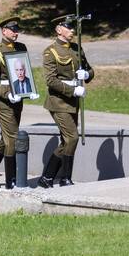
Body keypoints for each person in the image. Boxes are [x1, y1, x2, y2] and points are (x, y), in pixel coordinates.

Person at [39, 14, 95, 188]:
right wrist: (73, 90)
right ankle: (65, 179)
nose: (73, 30)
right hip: (59, 102)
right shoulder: (51, 52)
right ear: (59, 29)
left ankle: (47, 177)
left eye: (74, 28)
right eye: (69, 27)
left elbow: (89, 70)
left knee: (66, 141)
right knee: (72, 138)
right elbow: (50, 80)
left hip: (74, 102)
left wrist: (86, 75)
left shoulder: (77, 48)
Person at [0, 17, 29, 189]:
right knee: (13, 139)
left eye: (17, 30)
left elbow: (24, 72)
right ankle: (11, 180)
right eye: (12, 29)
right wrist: (8, 94)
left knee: (6, 138)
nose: (16, 32)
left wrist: (29, 90)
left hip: (18, 101)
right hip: (3, 102)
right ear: (4, 31)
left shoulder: (21, 48)